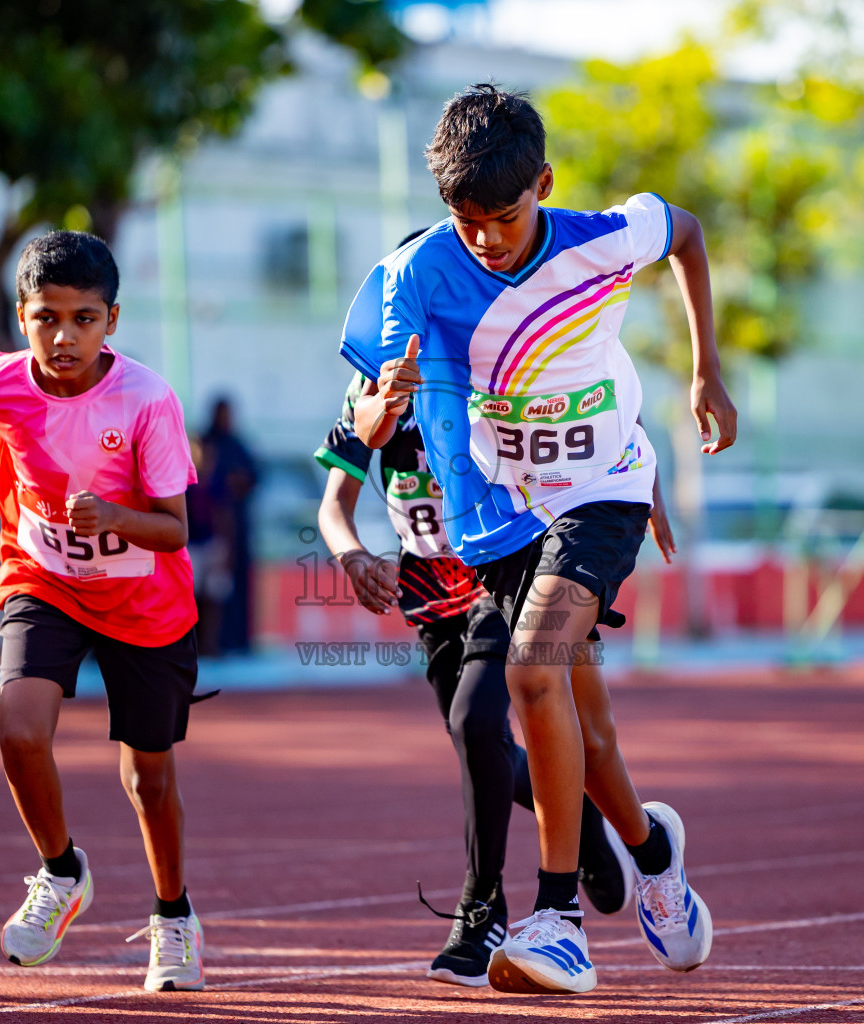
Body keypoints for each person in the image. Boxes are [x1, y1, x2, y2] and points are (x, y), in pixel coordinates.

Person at [341, 85, 736, 994]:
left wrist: (707, 372)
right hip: (505, 517)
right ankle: (652, 848)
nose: (484, 238)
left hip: (603, 493)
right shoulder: (417, 275)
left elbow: (688, 234)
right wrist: (381, 403)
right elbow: (366, 424)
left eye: (503, 218)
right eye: (465, 218)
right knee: (585, 730)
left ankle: (556, 919)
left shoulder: (602, 238)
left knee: (530, 670)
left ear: (544, 185)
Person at [315, 364, 638, 987]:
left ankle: (481, 908)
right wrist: (352, 555)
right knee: (480, 745)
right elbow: (334, 504)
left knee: (474, 721)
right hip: (429, 594)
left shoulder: (494, 361)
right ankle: (584, 816)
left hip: (505, 572)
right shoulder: (371, 390)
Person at [0, 230, 208, 992]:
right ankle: (62, 872)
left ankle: (174, 919)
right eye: (46, 318)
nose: (64, 337)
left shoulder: (147, 400)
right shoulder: (2, 382)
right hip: (44, 580)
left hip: (144, 601)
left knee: (148, 779)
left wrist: (113, 519)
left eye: (84, 319)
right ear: (23, 317)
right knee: (18, 731)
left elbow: (175, 528)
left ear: (113, 321)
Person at [201, 398, 259, 656]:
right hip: (206, 531)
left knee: (235, 586)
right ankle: (207, 644)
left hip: (238, 528)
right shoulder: (205, 443)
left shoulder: (238, 444)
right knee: (205, 593)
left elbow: (255, 477)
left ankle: (237, 641)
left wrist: (240, 482)